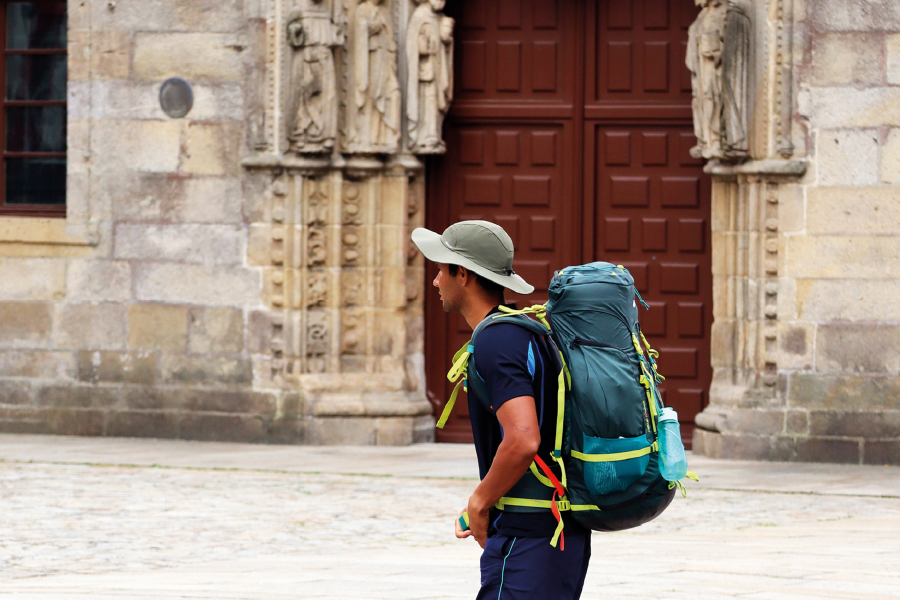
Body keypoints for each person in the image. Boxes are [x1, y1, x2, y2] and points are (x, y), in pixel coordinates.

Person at [412, 221, 591, 600]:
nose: (435, 281)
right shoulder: (528, 331)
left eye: (442, 269)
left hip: (528, 540)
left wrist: (480, 501)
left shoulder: (497, 340)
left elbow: (524, 439)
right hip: (559, 533)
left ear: (463, 275)